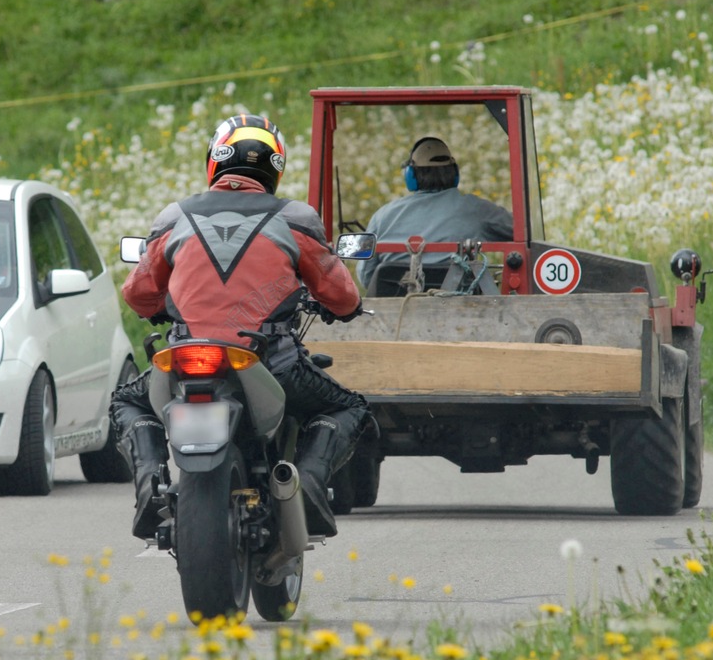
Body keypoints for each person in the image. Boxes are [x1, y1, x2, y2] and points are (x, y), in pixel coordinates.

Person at [111, 113, 376, 540]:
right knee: (348, 407)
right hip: (270, 360)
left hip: (185, 356)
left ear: (214, 161)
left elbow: (137, 294)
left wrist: (164, 303)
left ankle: (149, 487)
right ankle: (307, 483)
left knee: (128, 402)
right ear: (275, 168)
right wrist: (342, 307)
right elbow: (342, 298)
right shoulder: (296, 218)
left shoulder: (174, 216)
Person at [358, 136, 513, 296]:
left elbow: (366, 277)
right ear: (455, 174)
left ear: (410, 176)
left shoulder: (382, 216)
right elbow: (521, 230)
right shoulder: (477, 209)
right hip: (462, 312)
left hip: (394, 315)